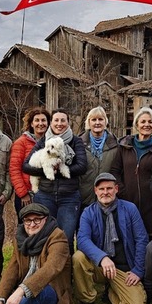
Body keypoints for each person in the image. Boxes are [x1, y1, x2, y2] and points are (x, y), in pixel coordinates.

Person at [73, 172, 148, 304]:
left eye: (109, 188)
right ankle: (87, 300)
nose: (105, 192)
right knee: (78, 257)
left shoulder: (130, 209)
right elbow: (82, 239)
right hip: (100, 266)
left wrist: (138, 270)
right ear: (95, 191)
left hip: (123, 269)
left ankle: (111, 292)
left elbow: (142, 239)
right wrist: (102, 258)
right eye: (101, 189)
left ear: (116, 189)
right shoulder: (88, 212)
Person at [23, 108, 87, 250]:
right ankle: (46, 271)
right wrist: (48, 170)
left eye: (63, 120)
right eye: (56, 120)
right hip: (45, 196)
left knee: (66, 238)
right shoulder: (43, 142)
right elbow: (26, 166)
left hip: (69, 197)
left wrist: (59, 172)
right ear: (51, 123)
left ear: (68, 123)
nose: (59, 123)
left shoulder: (76, 141)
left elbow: (82, 166)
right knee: (44, 238)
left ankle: (66, 271)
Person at [111, 107, 152, 238]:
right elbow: (115, 171)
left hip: (151, 204)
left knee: (147, 239)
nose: (146, 125)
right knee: (128, 239)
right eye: (143, 122)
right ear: (136, 124)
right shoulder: (124, 147)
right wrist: (122, 191)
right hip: (127, 201)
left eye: (150, 122)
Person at [9, 107, 51, 216]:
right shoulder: (21, 142)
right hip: (28, 194)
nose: (40, 123)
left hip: (48, 193)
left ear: (48, 123)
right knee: (27, 227)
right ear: (31, 124)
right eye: (37, 120)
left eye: (43, 120)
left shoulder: (52, 142)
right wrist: (23, 193)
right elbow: (14, 170)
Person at [78, 106, 119, 209]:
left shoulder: (115, 145)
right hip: (84, 196)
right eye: (94, 119)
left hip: (107, 197)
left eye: (101, 119)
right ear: (89, 122)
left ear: (105, 122)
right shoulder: (79, 143)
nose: (97, 122)